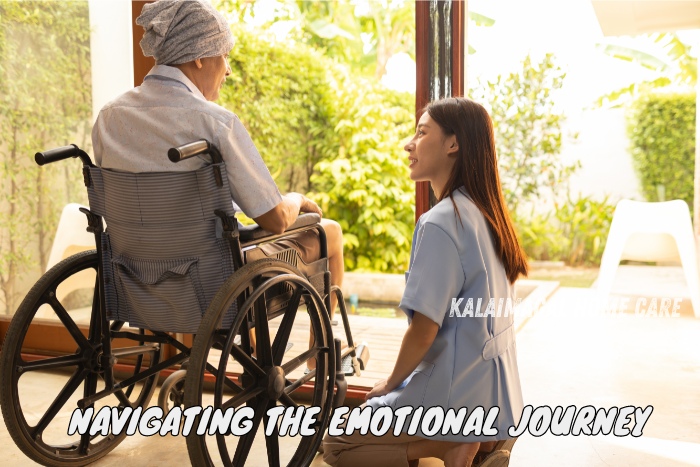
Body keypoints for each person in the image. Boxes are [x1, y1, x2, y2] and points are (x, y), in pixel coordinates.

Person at [91, 0, 344, 344]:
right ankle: (320, 361)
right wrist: (296, 198)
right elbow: (275, 220)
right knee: (328, 231)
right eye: (224, 56)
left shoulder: (109, 117)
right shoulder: (213, 121)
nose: (227, 70)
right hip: (210, 284)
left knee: (225, 246)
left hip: (134, 277)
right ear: (199, 56)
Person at [323, 97, 529, 467]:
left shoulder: (441, 222)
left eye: (421, 132)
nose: (409, 143)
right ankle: (483, 444)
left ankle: (446, 447)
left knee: (336, 443)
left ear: (453, 144)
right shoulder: (489, 214)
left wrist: (389, 383)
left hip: (453, 399)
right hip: (501, 402)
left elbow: (423, 330)